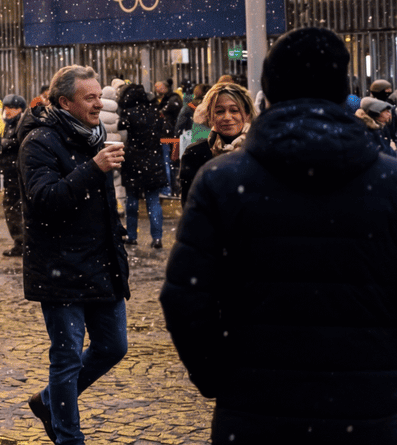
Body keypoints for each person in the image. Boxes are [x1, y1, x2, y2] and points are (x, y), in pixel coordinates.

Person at [163, 27, 397, 443]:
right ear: (343, 90)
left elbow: (185, 297)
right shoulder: (388, 180)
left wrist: (219, 377)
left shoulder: (221, 181)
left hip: (255, 411)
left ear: (267, 93)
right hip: (370, 409)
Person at [20, 65, 129, 445]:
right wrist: (93, 168)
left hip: (102, 264)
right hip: (60, 268)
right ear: (65, 102)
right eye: (90, 97)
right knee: (65, 360)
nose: (99, 103)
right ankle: (69, 437)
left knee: (114, 347)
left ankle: (49, 402)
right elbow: (46, 200)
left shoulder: (96, 136)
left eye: (100, 95)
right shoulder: (39, 141)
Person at [176, 83, 254, 201]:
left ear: (247, 115)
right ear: (210, 116)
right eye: (219, 111)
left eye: (234, 110)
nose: (227, 117)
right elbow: (190, 206)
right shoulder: (195, 153)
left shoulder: (259, 151)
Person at [116, 83, 169, 248]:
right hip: (153, 160)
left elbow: (122, 137)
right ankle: (157, 237)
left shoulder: (127, 114)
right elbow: (164, 132)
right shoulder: (155, 113)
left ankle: (132, 235)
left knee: (131, 199)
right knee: (153, 200)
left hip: (133, 161)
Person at [0, 94, 28, 256]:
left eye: (11, 108)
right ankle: (21, 242)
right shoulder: (9, 125)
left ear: (19, 109)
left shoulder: (22, 124)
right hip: (11, 174)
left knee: (14, 208)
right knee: (13, 208)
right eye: (5, 107)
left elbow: (21, 144)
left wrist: (6, 144)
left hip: (18, 175)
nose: (6, 111)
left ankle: (22, 242)